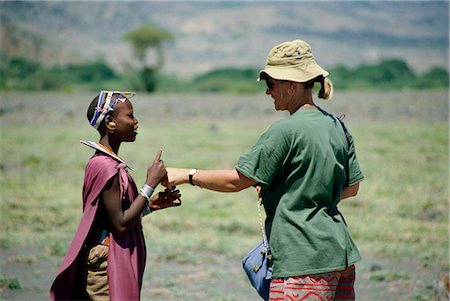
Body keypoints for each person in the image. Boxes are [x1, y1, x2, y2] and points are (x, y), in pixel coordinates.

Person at [165, 40, 364, 300]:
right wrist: (305, 192)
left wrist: (186, 175)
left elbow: (237, 181)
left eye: (270, 84)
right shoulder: (337, 126)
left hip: (302, 259)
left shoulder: (284, 131)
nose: (268, 92)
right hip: (339, 254)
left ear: (291, 85)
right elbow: (352, 188)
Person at [50, 90, 181, 301]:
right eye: (130, 116)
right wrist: (149, 184)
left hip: (107, 255)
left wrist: (150, 206)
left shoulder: (105, 163)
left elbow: (112, 218)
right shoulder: (106, 168)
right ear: (110, 122)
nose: (136, 121)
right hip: (106, 263)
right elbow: (120, 224)